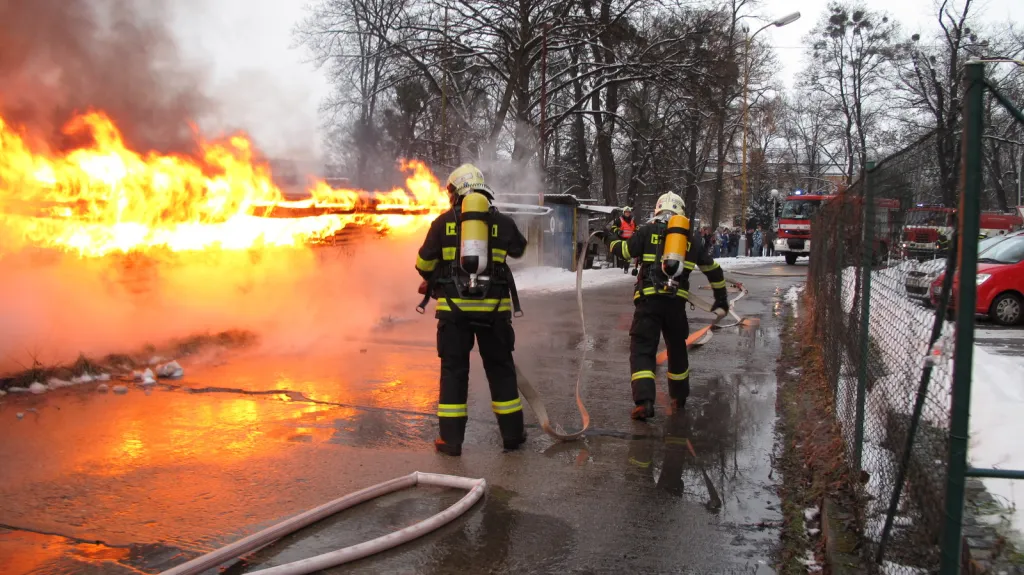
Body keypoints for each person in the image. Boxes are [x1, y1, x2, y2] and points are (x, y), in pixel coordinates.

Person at [414, 163, 528, 456]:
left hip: (454, 314)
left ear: (455, 191)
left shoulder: (441, 223)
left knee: (454, 373)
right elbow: (519, 249)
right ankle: (512, 436)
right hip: (495, 313)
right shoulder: (502, 221)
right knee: (501, 371)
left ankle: (451, 441)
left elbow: (423, 264)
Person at [603, 192, 729, 420]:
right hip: (675, 304)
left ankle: (644, 402)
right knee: (677, 350)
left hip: (648, 301)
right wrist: (721, 299)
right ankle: (679, 398)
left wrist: (608, 236)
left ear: (658, 210)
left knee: (642, 349)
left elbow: (623, 251)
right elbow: (714, 270)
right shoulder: (691, 239)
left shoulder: (646, 231)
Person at [610, 206, 637, 273]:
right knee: (622, 254)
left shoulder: (632, 220)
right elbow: (613, 227)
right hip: (621, 239)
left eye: (628, 212)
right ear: (624, 213)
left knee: (628, 255)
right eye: (626, 212)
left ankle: (626, 268)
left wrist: (637, 231)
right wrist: (618, 231)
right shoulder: (619, 220)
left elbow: (636, 228)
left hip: (630, 240)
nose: (627, 213)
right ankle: (621, 265)